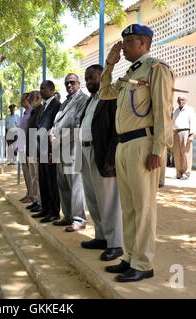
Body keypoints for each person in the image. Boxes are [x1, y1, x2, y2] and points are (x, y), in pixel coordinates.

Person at [99, 24, 174, 282]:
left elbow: (164, 112)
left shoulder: (156, 69)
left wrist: (159, 149)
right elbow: (104, 92)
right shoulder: (130, 73)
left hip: (143, 144)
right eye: (124, 41)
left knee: (144, 207)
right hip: (123, 145)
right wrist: (109, 65)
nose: (124, 47)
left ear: (144, 42)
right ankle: (130, 257)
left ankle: (144, 263)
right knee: (129, 207)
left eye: (129, 42)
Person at [74, 65, 123, 259]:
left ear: (103, 76)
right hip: (85, 152)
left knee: (108, 201)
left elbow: (116, 128)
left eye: (91, 78)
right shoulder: (90, 101)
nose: (88, 82)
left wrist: (111, 156)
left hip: (101, 153)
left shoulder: (111, 97)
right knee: (93, 198)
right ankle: (101, 237)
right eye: (86, 79)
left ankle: (116, 243)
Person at [50, 73, 88, 232]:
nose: (69, 85)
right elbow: (56, 123)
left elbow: (79, 128)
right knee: (63, 184)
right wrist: (52, 136)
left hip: (73, 150)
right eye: (66, 83)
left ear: (79, 83)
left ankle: (79, 219)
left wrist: (61, 140)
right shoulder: (64, 102)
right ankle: (67, 216)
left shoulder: (83, 101)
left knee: (76, 185)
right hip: (60, 150)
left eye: (72, 82)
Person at [32, 80, 61, 223]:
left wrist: (52, 152)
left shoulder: (57, 105)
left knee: (52, 182)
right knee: (43, 180)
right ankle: (45, 208)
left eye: (43, 88)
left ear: (52, 89)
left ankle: (54, 212)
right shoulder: (44, 107)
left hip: (49, 149)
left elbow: (55, 129)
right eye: (40, 88)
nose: (41, 91)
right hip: (40, 149)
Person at [25, 91, 43, 213]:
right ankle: (35, 200)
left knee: (38, 177)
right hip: (30, 149)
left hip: (37, 150)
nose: (29, 100)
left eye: (31, 98)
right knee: (33, 177)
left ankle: (41, 202)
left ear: (37, 98)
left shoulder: (41, 111)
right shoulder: (33, 112)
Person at [172, 95, 196, 180]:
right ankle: (178, 173)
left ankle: (186, 173)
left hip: (186, 132)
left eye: (182, 100)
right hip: (176, 133)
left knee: (186, 154)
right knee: (177, 154)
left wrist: (191, 135)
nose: (180, 101)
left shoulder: (190, 110)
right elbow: (173, 122)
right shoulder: (175, 110)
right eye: (179, 100)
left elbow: (193, 122)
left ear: (185, 101)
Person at [17, 93, 34, 204]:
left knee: (30, 172)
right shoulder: (25, 113)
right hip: (22, 146)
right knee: (25, 171)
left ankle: (32, 195)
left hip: (28, 146)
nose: (22, 101)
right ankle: (28, 193)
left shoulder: (32, 113)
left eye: (24, 99)